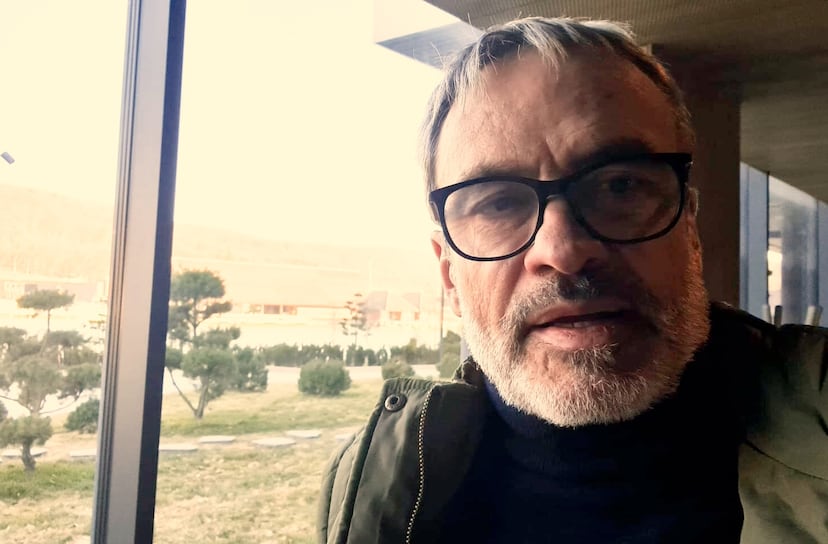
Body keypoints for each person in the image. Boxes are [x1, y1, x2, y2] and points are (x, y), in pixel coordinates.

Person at [318, 16, 828, 543]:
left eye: (620, 186)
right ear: (449, 270)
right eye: (498, 203)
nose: (563, 252)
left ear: (690, 228)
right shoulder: (369, 487)